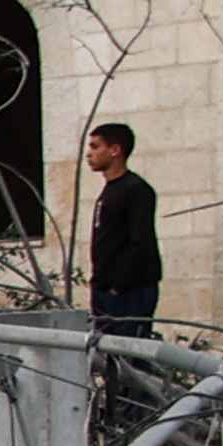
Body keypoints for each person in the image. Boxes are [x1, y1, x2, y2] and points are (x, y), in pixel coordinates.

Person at [79, 121, 162, 334]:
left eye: (96, 147)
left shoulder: (137, 190)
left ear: (115, 150)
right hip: (104, 290)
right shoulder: (108, 192)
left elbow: (141, 242)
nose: (89, 154)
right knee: (107, 357)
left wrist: (118, 286)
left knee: (130, 357)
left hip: (130, 292)